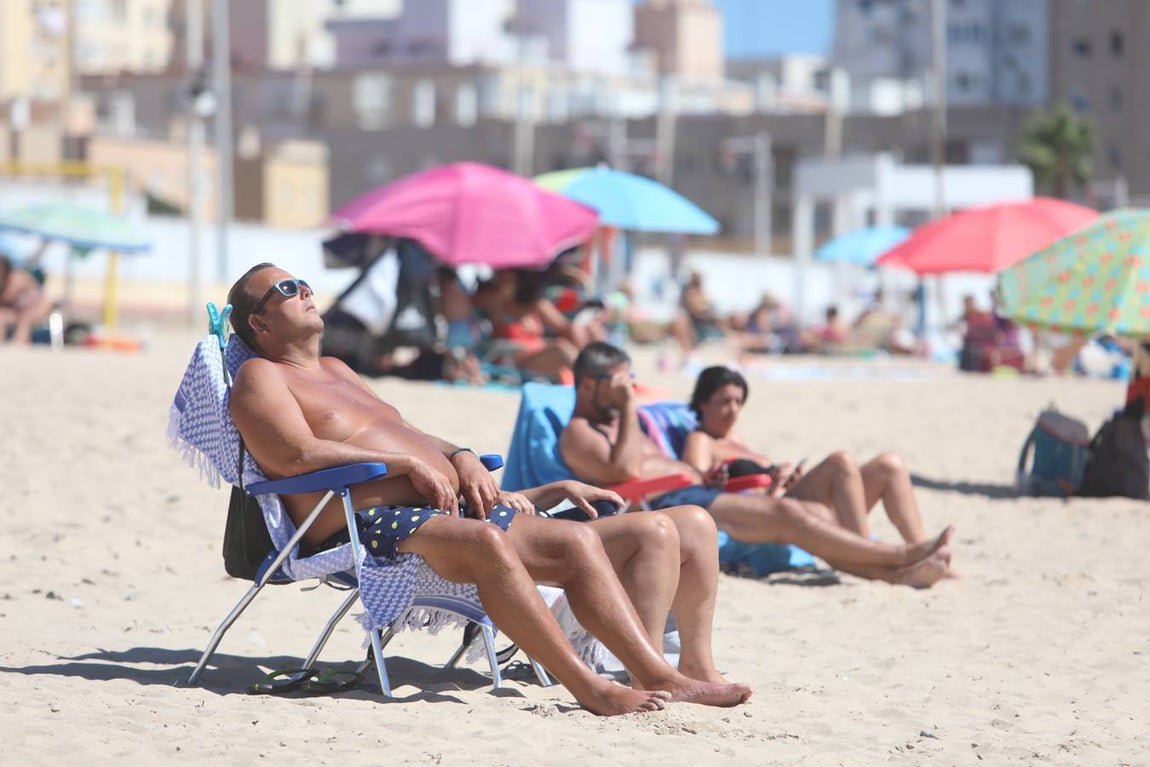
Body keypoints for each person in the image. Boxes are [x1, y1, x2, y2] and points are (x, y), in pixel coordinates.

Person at [225, 263, 749, 716]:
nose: (304, 290)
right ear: (259, 323)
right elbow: (293, 456)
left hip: (438, 508)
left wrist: (460, 455)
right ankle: (589, 686)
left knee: (577, 541)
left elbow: (408, 434)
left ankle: (658, 673)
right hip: (361, 521)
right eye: (287, 289)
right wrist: (402, 463)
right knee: (487, 543)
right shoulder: (261, 377)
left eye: (303, 283)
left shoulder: (336, 370)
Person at [559, 342, 953, 589]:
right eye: (619, 381)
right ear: (589, 385)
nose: (628, 387)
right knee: (788, 514)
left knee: (813, 514)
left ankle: (895, 574)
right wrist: (629, 406)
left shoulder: (618, 426)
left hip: (699, 491)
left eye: (630, 379)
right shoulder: (578, 433)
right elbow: (625, 472)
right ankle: (898, 555)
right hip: (669, 502)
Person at [681, 366, 940, 553]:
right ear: (703, 402)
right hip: (770, 514)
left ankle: (922, 547)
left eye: (739, 402)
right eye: (725, 402)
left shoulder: (736, 439)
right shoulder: (701, 440)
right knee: (840, 461)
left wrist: (785, 480)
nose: (734, 410)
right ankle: (869, 552)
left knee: (889, 464)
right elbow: (697, 489)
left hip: (791, 503)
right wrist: (760, 488)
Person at [0, 254, 53, 345]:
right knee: (1, 316)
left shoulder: (16, 277)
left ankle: (20, 344)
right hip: (20, 312)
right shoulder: (5, 281)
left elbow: (8, 296)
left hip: (39, 308)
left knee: (25, 319)